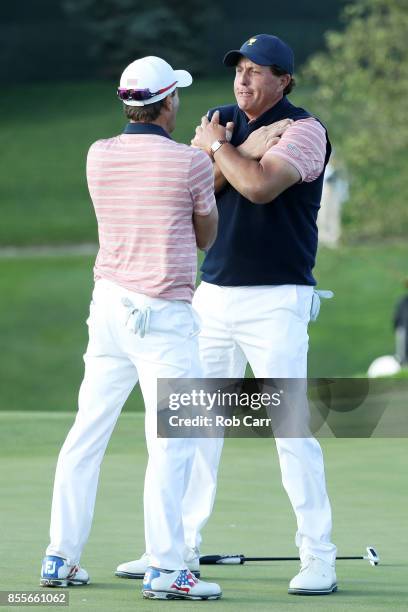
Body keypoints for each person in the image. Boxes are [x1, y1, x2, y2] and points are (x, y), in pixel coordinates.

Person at [119, 34, 338, 596]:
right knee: (195, 424)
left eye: (257, 71)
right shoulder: (220, 119)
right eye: (239, 70)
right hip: (211, 297)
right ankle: (176, 549)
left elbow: (261, 187)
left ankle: (318, 556)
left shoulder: (306, 130)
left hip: (277, 299)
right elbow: (192, 192)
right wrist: (233, 153)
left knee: (290, 429)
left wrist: (221, 151)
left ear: (284, 80)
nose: (243, 80)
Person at [40, 55, 222, 601]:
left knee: (87, 433)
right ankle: (167, 569)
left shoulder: (98, 155)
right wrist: (213, 151)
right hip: (162, 316)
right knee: (173, 440)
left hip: (109, 311)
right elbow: (206, 236)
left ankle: (60, 558)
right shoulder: (190, 163)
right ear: (168, 103)